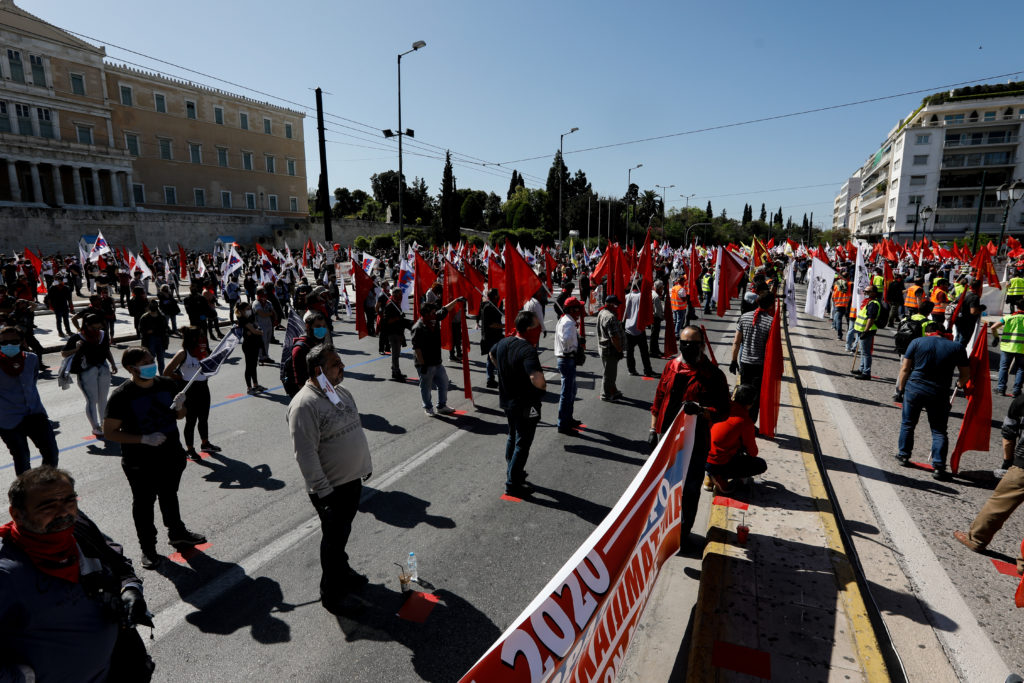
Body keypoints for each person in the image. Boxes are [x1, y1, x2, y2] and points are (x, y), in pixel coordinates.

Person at [0, 466, 155, 682]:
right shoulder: (6, 572)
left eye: (69, 501)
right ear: (17, 514)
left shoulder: (79, 529)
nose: (63, 512)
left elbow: (117, 562)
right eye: (48, 506)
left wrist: (130, 588)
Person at [286, 344, 373, 614]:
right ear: (318, 370)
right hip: (330, 489)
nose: (342, 367)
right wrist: (324, 493)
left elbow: (354, 429)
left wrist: (364, 464)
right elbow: (305, 454)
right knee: (333, 539)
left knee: (342, 534)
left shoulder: (341, 392)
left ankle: (342, 571)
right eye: (336, 364)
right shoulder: (304, 405)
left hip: (351, 481)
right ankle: (330, 590)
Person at [103, 346, 205, 568]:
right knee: (143, 504)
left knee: (170, 495)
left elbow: (180, 415)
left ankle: (178, 534)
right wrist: (143, 439)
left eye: (152, 359)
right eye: (145, 362)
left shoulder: (167, 384)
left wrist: (180, 407)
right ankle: (148, 549)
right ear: (131, 368)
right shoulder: (122, 395)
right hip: (140, 462)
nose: (152, 364)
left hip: (171, 455)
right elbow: (110, 432)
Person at [649, 325, 730, 546]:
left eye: (693, 344)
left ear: (702, 346)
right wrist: (652, 429)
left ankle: (681, 535)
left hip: (696, 442)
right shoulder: (671, 367)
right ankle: (662, 531)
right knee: (664, 488)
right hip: (667, 440)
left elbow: (724, 410)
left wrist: (702, 411)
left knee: (690, 490)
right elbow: (659, 397)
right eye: (684, 343)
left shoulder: (713, 375)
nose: (687, 347)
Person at [953, 393, 1024, 574]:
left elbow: (1009, 431)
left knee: (998, 504)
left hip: (1023, 465)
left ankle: (976, 539)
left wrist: (1008, 462)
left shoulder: (1022, 400)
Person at [893, 321, 970, 481]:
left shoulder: (916, 342)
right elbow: (965, 375)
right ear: (942, 333)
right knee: (939, 430)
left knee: (908, 423)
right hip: (939, 392)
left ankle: (904, 456)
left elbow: (905, 368)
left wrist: (901, 388)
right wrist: (960, 384)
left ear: (928, 332)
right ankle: (939, 466)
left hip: (915, 389)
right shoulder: (956, 347)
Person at [490, 311, 546, 497]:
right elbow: (536, 377)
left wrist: (504, 371)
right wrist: (542, 389)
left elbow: (491, 354)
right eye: (536, 326)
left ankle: (513, 470)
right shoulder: (527, 350)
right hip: (525, 402)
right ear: (529, 329)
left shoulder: (505, 342)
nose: (539, 329)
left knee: (512, 436)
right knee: (523, 441)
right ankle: (512, 482)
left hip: (507, 399)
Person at [0, 325, 59, 474]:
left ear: (22, 341)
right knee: (22, 458)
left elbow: (32, 382)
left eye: (14, 342)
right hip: (9, 419)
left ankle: (45, 485)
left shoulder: (31, 359)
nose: (9, 346)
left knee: (52, 453)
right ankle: (27, 493)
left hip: (35, 413)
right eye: (4, 343)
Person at [164, 326, 219, 460]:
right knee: (191, 421)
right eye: (200, 336)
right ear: (193, 338)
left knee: (204, 418)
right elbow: (167, 372)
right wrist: (181, 378)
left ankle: (205, 443)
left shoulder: (202, 351)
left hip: (203, 387)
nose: (202, 338)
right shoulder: (183, 353)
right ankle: (190, 449)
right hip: (190, 390)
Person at [61, 314, 119, 438]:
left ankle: (104, 424)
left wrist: (113, 363)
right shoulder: (76, 337)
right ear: (87, 325)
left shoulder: (103, 334)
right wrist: (76, 349)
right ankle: (95, 427)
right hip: (86, 371)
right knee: (92, 400)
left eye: (99, 328)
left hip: (103, 368)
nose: (97, 331)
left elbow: (107, 349)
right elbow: (64, 353)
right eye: (94, 328)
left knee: (103, 399)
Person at [705, 384, 769, 493]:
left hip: (703, 456)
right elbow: (753, 452)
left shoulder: (721, 406)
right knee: (760, 464)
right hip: (717, 463)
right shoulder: (745, 421)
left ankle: (708, 478)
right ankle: (719, 476)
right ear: (750, 404)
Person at [411, 298, 464, 416]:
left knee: (444, 383)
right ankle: (428, 407)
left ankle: (442, 406)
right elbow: (417, 349)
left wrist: (456, 301)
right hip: (425, 364)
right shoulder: (418, 327)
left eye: (435, 312)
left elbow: (445, 309)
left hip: (436, 362)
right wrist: (423, 365)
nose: (435, 314)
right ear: (425, 314)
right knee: (426, 387)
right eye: (433, 312)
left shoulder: (433, 320)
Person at [728, 291, 775, 425]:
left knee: (742, 394)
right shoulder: (771, 322)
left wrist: (733, 360)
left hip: (744, 363)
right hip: (760, 366)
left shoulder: (744, 317)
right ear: (771, 305)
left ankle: (738, 421)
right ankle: (750, 424)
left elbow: (736, 342)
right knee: (754, 397)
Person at [554, 297, 585, 435]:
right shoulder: (568, 323)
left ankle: (568, 419)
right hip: (567, 359)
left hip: (566, 359)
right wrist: (575, 347)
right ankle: (563, 424)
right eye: (578, 309)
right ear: (572, 310)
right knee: (567, 393)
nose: (580, 312)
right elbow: (566, 341)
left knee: (571, 391)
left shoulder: (566, 320)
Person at [991, 300, 1024, 398]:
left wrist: (996, 337)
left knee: (1003, 368)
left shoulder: (1008, 317)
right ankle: (1016, 391)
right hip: (1022, 349)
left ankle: (1001, 388)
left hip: (1007, 348)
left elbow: (993, 327)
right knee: (1021, 369)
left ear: (1017, 307)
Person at [596, 294, 626, 401]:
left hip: (604, 347)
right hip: (611, 349)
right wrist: (619, 349)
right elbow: (614, 337)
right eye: (616, 305)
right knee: (609, 374)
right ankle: (606, 394)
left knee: (610, 372)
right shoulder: (610, 317)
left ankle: (613, 390)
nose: (617, 307)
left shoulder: (602, 313)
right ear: (611, 305)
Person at [623, 283, 656, 377]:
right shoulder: (642, 297)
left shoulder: (626, 297)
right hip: (640, 328)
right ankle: (647, 370)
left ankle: (631, 370)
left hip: (628, 327)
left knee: (630, 352)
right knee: (644, 351)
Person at [851, 285, 881, 380]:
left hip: (867, 331)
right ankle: (861, 369)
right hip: (862, 330)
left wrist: (865, 331)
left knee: (866, 353)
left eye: (867, 292)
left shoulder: (873, 303)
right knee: (863, 352)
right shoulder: (868, 302)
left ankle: (866, 372)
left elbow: (871, 318)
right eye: (865, 291)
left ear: (874, 293)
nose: (865, 293)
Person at [236, 301, 266, 394]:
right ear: (241, 311)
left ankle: (256, 385)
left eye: (250, 308)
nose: (250, 310)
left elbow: (257, 327)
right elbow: (255, 330)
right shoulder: (242, 319)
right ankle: (249, 388)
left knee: (254, 365)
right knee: (249, 366)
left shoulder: (250, 318)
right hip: (248, 346)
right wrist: (258, 331)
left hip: (255, 344)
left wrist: (257, 330)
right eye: (247, 309)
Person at [480, 288, 505, 389]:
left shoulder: (494, 306)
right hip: (491, 337)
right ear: (495, 296)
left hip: (496, 336)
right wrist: (504, 326)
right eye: (498, 294)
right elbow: (491, 324)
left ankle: (491, 378)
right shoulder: (488, 307)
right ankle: (492, 379)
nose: (499, 296)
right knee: (493, 358)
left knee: (491, 358)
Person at [138, 299, 169, 373]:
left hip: (161, 340)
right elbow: (141, 329)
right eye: (151, 305)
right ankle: (152, 374)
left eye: (154, 305)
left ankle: (162, 374)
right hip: (149, 340)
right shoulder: (145, 317)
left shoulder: (161, 316)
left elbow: (166, 328)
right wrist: (147, 331)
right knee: (150, 359)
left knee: (161, 359)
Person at [952, 278, 985, 346]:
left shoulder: (963, 294)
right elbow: (973, 311)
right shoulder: (974, 297)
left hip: (958, 319)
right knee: (963, 340)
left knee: (958, 337)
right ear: (979, 288)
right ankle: (958, 354)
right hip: (967, 322)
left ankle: (953, 352)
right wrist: (981, 308)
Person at [649, 281, 665, 358]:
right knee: (654, 335)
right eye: (662, 287)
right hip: (656, 318)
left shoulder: (652, 293)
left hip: (653, 316)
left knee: (655, 335)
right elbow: (657, 310)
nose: (663, 289)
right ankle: (652, 351)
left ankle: (656, 349)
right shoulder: (656, 297)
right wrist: (662, 316)